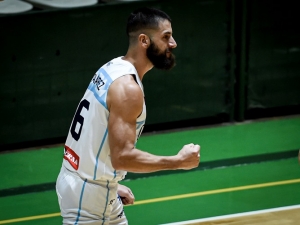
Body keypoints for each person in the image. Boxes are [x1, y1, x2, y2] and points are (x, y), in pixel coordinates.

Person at [56, 7, 200, 225]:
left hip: (82, 182)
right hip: (89, 198)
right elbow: (122, 156)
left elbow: (92, 135)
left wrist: (109, 183)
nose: (173, 44)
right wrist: (178, 162)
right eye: (166, 37)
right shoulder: (128, 88)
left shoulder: (112, 67)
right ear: (144, 40)